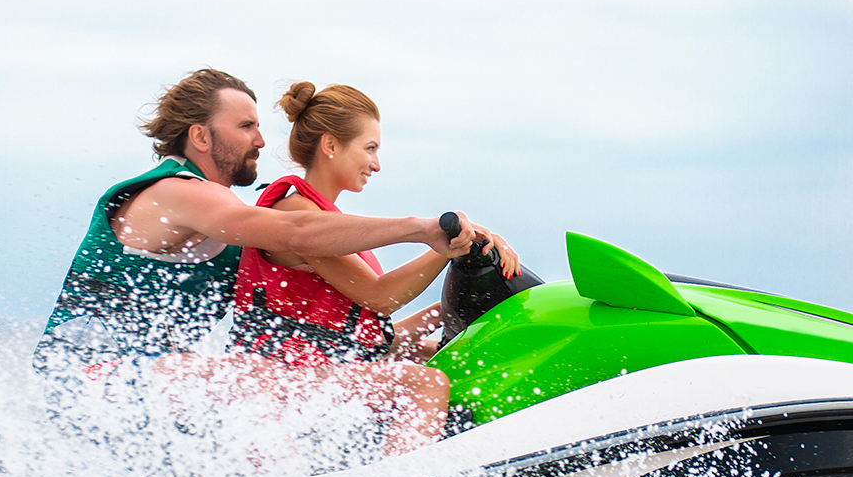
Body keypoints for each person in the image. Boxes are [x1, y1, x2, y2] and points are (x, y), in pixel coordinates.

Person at [34, 68, 500, 452]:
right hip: (89, 375)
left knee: (262, 379)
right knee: (256, 376)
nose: (261, 140)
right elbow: (297, 231)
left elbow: (338, 307)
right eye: (245, 127)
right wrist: (421, 229)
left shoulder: (228, 220)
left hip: (156, 383)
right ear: (200, 136)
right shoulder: (177, 193)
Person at [226, 82, 518, 452]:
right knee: (424, 384)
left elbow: (372, 336)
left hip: (313, 372)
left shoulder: (330, 220)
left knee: (443, 361)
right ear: (330, 146)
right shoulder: (295, 213)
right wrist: (452, 247)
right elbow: (381, 296)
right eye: (370, 148)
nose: (376, 164)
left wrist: (454, 312)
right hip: (273, 381)